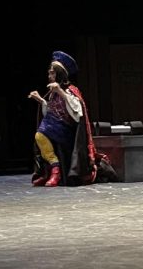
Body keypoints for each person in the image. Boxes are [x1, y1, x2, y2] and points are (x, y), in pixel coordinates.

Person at [28, 51, 101, 187]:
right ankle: (54, 169)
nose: (50, 76)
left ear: (60, 74)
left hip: (66, 130)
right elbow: (50, 111)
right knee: (40, 133)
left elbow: (78, 112)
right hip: (53, 127)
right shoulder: (51, 92)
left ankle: (56, 171)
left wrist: (60, 91)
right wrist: (40, 100)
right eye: (49, 73)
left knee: (42, 131)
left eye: (53, 73)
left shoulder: (70, 90)